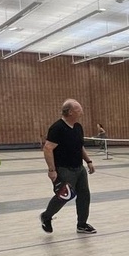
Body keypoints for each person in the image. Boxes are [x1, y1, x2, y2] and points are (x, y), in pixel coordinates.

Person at [39, 99, 96, 235]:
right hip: (64, 168)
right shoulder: (57, 128)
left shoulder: (77, 127)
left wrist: (88, 161)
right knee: (64, 196)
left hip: (79, 168)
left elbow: (79, 146)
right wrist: (52, 170)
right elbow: (48, 148)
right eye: (79, 109)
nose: (81, 111)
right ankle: (46, 216)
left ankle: (82, 224)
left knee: (84, 195)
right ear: (70, 112)